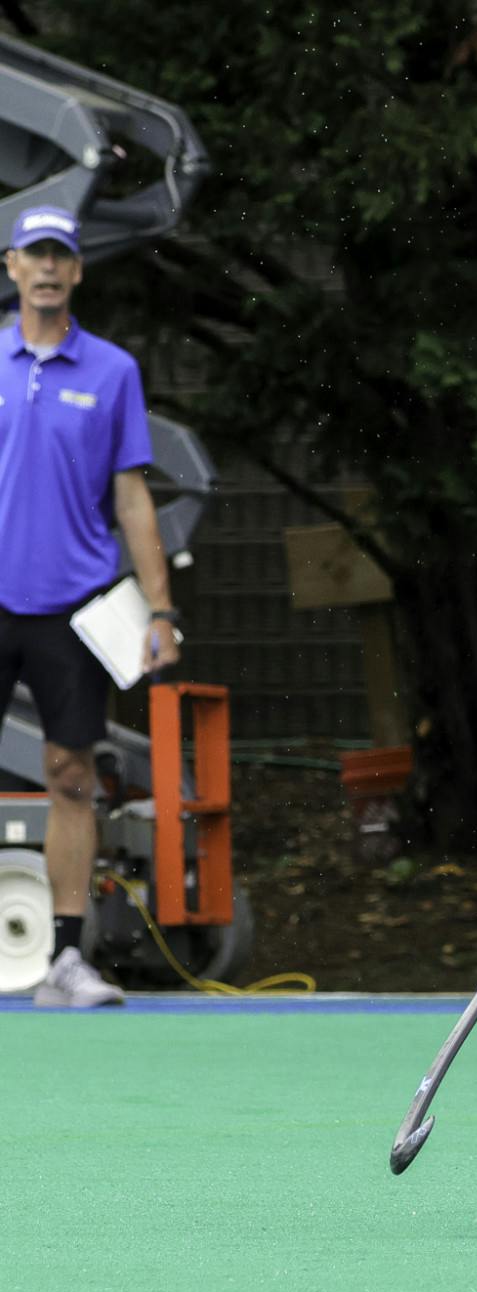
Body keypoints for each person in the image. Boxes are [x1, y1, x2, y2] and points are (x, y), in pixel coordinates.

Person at [0, 205, 180, 1008]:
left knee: (72, 774)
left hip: (74, 606)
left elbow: (134, 497)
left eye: (59, 257)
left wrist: (160, 612)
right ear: (11, 266)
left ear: (75, 271)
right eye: (33, 255)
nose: (46, 268)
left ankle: (65, 961)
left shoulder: (112, 371)